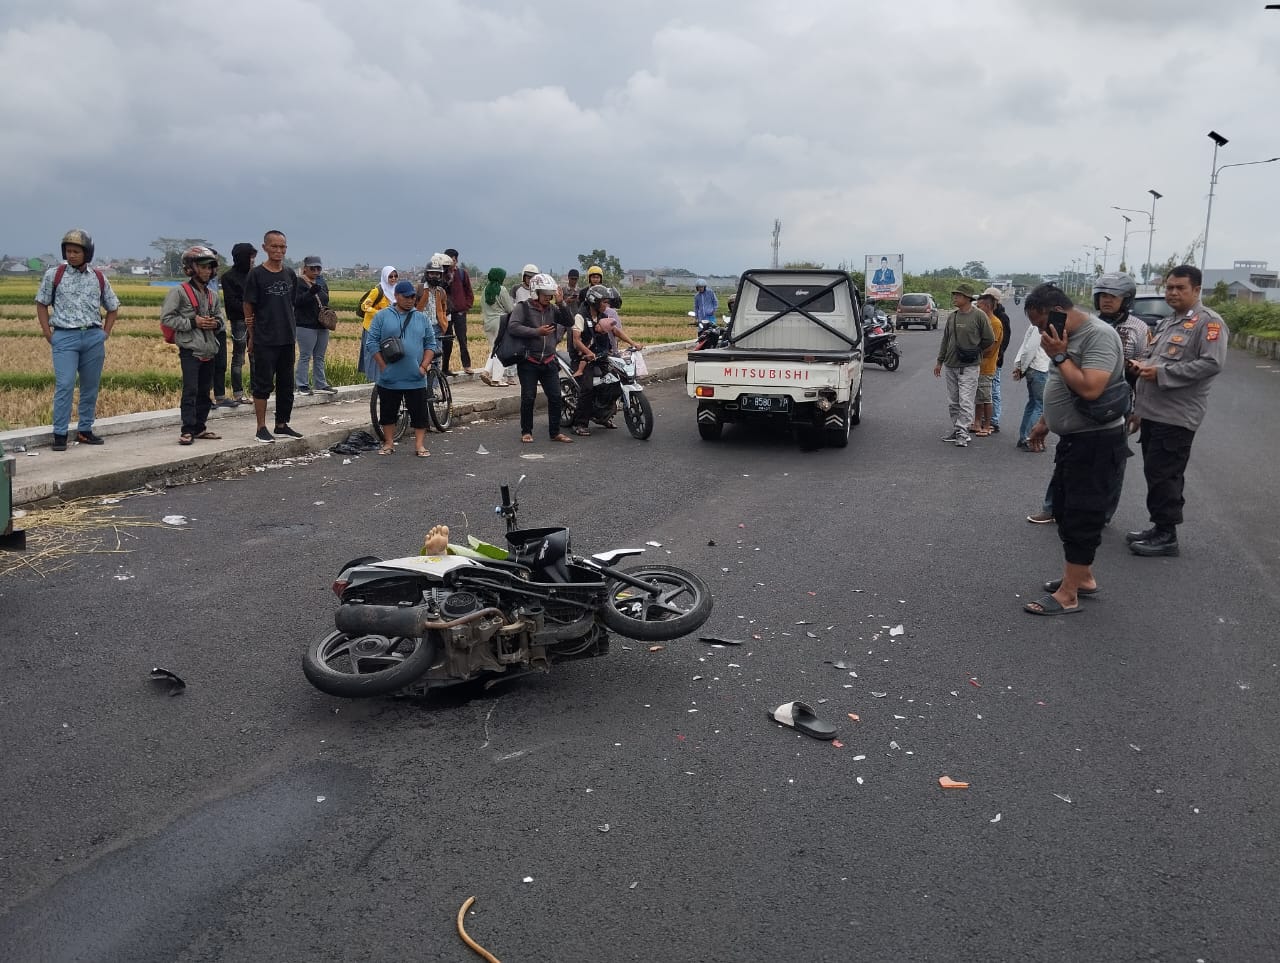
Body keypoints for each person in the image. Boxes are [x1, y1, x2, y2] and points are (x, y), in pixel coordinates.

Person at [1023, 283, 1130, 615]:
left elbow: (1090, 388)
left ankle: (1069, 595)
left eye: (1042, 322)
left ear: (1058, 309)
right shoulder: (1063, 338)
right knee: (1067, 510)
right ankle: (1082, 578)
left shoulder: (1098, 336)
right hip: (1075, 439)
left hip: (1097, 441)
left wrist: (1058, 354)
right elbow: (1061, 382)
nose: (1042, 331)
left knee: (1083, 514)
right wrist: (1044, 421)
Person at [1125, 265, 1228, 558]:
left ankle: (1167, 535)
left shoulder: (1208, 323)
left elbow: (1211, 364)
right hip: (1155, 412)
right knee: (1155, 472)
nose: (1172, 292)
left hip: (1178, 414)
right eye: (1169, 287)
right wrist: (1140, 403)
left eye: (1180, 288)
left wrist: (1160, 373)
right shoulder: (1170, 322)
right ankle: (1158, 526)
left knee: (1166, 474)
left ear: (1196, 290)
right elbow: (1153, 359)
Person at [34, 229, 121, 451]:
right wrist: (48, 333)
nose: (71, 255)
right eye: (68, 251)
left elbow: (113, 307)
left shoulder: (98, 277)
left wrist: (105, 333)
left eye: (76, 251)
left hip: (93, 337)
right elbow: (41, 303)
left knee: (90, 386)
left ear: (87, 253)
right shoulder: (55, 275)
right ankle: (60, 433)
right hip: (64, 337)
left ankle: (85, 430)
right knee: (64, 385)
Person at [242, 230, 302, 443]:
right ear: (265, 247)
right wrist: (251, 336)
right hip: (265, 339)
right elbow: (248, 305)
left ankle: (282, 424)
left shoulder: (290, 274)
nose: (279, 250)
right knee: (263, 384)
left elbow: (291, 303)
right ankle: (261, 427)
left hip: (287, 337)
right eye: (274, 246)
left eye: (282, 246)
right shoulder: (256, 274)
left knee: (286, 384)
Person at [368, 279, 439, 457]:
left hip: (415, 377)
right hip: (390, 377)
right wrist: (383, 366)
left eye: (413, 297)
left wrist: (423, 367)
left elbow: (430, 343)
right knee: (388, 412)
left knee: (419, 414)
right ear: (397, 296)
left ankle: (419, 445)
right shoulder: (382, 316)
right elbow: (372, 343)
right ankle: (389, 443)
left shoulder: (421, 318)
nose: (410, 300)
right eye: (406, 297)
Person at [162, 246, 225, 445]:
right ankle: (187, 429)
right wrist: (192, 323)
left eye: (210, 267)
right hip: (190, 349)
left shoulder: (213, 295)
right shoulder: (179, 292)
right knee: (190, 390)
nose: (207, 271)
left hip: (210, 349)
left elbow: (221, 320)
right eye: (203, 267)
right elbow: (167, 318)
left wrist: (214, 323)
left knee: (205, 392)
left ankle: (200, 427)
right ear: (191, 268)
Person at [507, 273, 574, 444]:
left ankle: (555, 432)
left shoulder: (552, 309)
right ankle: (526, 431)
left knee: (555, 397)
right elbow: (513, 327)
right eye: (545, 294)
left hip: (549, 361)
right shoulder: (523, 308)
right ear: (535, 292)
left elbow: (569, 321)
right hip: (529, 361)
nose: (548, 298)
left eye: (550, 295)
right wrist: (537, 332)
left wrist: (561, 303)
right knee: (529, 397)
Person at [932, 283, 994, 447]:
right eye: (955, 295)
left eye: (958, 295)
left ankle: (962, 433)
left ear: (967, 298)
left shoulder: (979, 316)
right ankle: (957, 429)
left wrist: (975, 350)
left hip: (969, 366)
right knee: (953, 402)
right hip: (951, 365)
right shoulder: (952, 316)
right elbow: (946, 340)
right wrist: (940, 361)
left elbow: (989, 338)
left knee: (966, 400)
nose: (955, 298)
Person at [219, 242, 256, 404]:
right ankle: (238, 393)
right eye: (251, 257)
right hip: (239, 321)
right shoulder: (228, 277)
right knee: (239, 357)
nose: (253, 261)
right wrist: (249, 310)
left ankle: (257, 391)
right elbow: (231, 301)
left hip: (255, 320)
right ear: (243, 258)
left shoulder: (255, 274)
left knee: (255, 356)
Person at [294, 255, 336, 396]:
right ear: (305, 268)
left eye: (318, 268)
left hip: (322, 325)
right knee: (305, 355)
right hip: (305, 325)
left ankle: (320, 384)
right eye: (313, 268)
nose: (316, 271)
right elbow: (296, 302)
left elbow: (326, 299)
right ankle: (302, 385)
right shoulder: (298, 282)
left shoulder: (322, 282)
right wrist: (310, 293)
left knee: (319, 356)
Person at [1010, 311, 1051, 452]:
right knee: (1040, 406)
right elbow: (1029, 349)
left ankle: (1024, 437)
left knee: (1033, 404)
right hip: (1039, 369)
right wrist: (1021, 368)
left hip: (1035, 369)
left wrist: (1020, 367)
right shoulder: (1038, 326)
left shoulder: (1037, 324)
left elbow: (1025, 347)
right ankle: (1029, 439)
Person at [980, 286, 1013, 433]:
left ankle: (993, 420)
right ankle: (983, 419)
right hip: (984, 361)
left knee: (993, 391)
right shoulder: (984, 315)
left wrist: (998, 354)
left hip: (994, 360)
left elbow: (1004, 340)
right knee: (983, 391)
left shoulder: (1001, 318)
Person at [972, 291, 1004, 436]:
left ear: (987, 306)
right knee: (978, 397)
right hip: (978, 364)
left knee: (986, 397)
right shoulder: (983, 321)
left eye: (979, 306)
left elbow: (991, 348)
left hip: (987, 366)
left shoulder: (996, 323)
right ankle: (977, 422)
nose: (977, 309)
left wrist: (973, 352)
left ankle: (987, 425)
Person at [359, 266, 398, 378]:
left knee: (387, 353)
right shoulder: (377, 291)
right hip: (372, 327)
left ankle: (385, 377)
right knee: (372, 354)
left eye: (395, 276)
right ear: (385, 277)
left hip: (387, 328)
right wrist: (379, 313)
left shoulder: (396, 291)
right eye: (390, 276)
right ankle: (373, 380)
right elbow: (364, 306)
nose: (393, 279)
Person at [440, 248, 475, 375]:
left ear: (456, 260)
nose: (451, 263)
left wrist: (466, 306)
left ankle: (467, 365)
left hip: (460, 312)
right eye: (449, 261)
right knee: (447, 341)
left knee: (462, 339)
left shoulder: (461, 273)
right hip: (446, 313)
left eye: (453, 260)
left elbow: (469, 291)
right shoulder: (441, 274)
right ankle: (445, 368)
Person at [479, 267, 515, 387]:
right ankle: (496, 379)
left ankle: (486, 371)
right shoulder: (502, 290)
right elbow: (510, 309)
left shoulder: (484, 290)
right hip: (501, 322)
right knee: (501, 350)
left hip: (488, 323)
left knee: (494, 349)